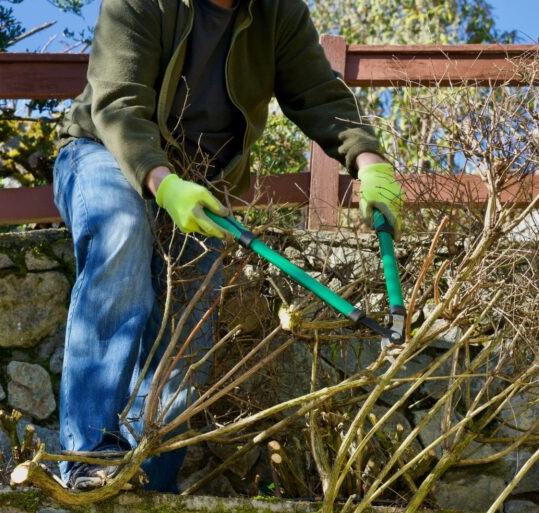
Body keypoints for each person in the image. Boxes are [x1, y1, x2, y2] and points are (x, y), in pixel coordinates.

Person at [53, 0, 404, 493]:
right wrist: (162, 182)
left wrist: (370, 162)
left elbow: (318, 93)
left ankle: (148, 481)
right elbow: (118, 105)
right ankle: (89, 458)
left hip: (199, 180)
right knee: (122, 232)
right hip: (101, 152)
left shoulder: (280, 12)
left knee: (191, 319)